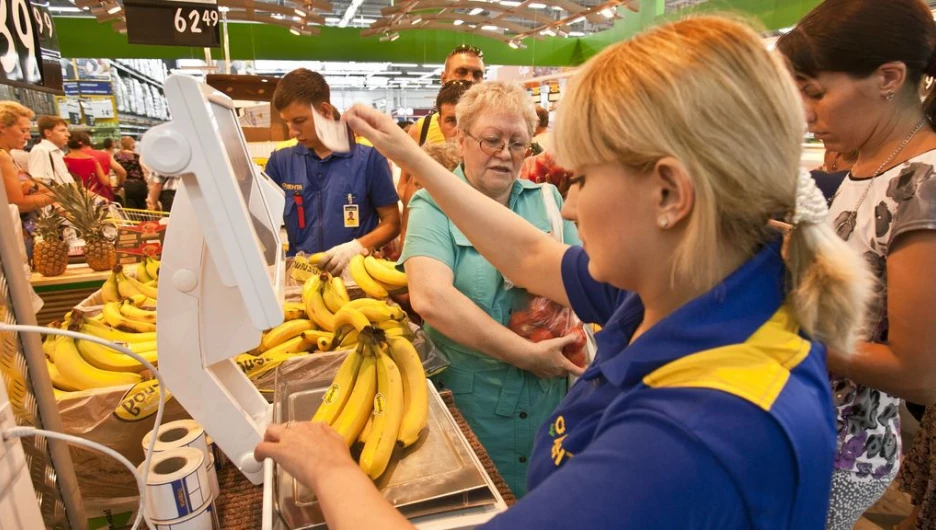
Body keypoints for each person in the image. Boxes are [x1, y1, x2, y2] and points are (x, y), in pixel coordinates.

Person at [255, 17, 873, 529]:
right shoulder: (699, 277)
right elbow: (529, 256)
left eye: (581, 178)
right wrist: (413, 156)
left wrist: (331, 469)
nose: (568, 206)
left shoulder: (693, 437)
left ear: (668, 195)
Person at [777, 1, 936, 528]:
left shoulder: (923, 185)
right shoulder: (864, 168)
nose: (804, 112)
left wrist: (786, 338)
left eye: (815, 92)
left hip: (840, 452)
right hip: (802, 425)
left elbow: (918, 372)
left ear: (889, 77)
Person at [400, 81, 580, 496]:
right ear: (461, 140)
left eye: (518, 143)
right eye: (491, 140)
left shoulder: (550, 201)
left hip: (547, 408)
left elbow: (585, 284)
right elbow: (430, 298)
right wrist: (526, 354)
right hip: (468, 407)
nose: (505, 153)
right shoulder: (433, 206)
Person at [265, 68, 400, 275]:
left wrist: (355, 247)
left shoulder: (369, 158)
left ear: (325, 111)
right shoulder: (281, 160)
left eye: (299, 121)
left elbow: (391, 222)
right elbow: (262, 221)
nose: (292, 131)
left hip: (357, 274)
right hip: (301, 275)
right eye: (287, 122)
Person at [397, 80, 473, 243]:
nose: (459, 130)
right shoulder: (425, 171)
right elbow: (408, 230)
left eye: (466, 120)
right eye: (451, 120)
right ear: (439, 123)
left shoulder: (493, 171)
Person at [0, 102, 54, 257]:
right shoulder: (2, 157)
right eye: (23, 130)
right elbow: (18, 204)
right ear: (2, 127)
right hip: (14, 238)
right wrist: (60, 195)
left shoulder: (9, 156)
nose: (28, 136)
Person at [410, 45, 485, 146]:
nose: (470, 79)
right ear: (444, 78)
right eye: (462, 72)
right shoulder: (422, 128)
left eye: (477, 74)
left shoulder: (495, 126)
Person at [64, 132, 111, 201]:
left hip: (75, 197)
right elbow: (105, 182)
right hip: (93, 196)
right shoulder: (92, 160)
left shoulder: (64, 160)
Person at [29, 116, 73, 185]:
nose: (68, 134)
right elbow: (37, 180)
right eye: (62, 130)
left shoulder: (59, 153)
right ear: (48, 133)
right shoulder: (40, 150)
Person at [115, 136, 147, 209]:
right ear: (132, 145)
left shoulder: (117, 156)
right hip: (141, 185)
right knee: (142, 211)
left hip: (127, 186)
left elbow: (117, 172)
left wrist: (118, 185)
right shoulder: (137, 156)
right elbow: (144, 170)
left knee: (131, 211)